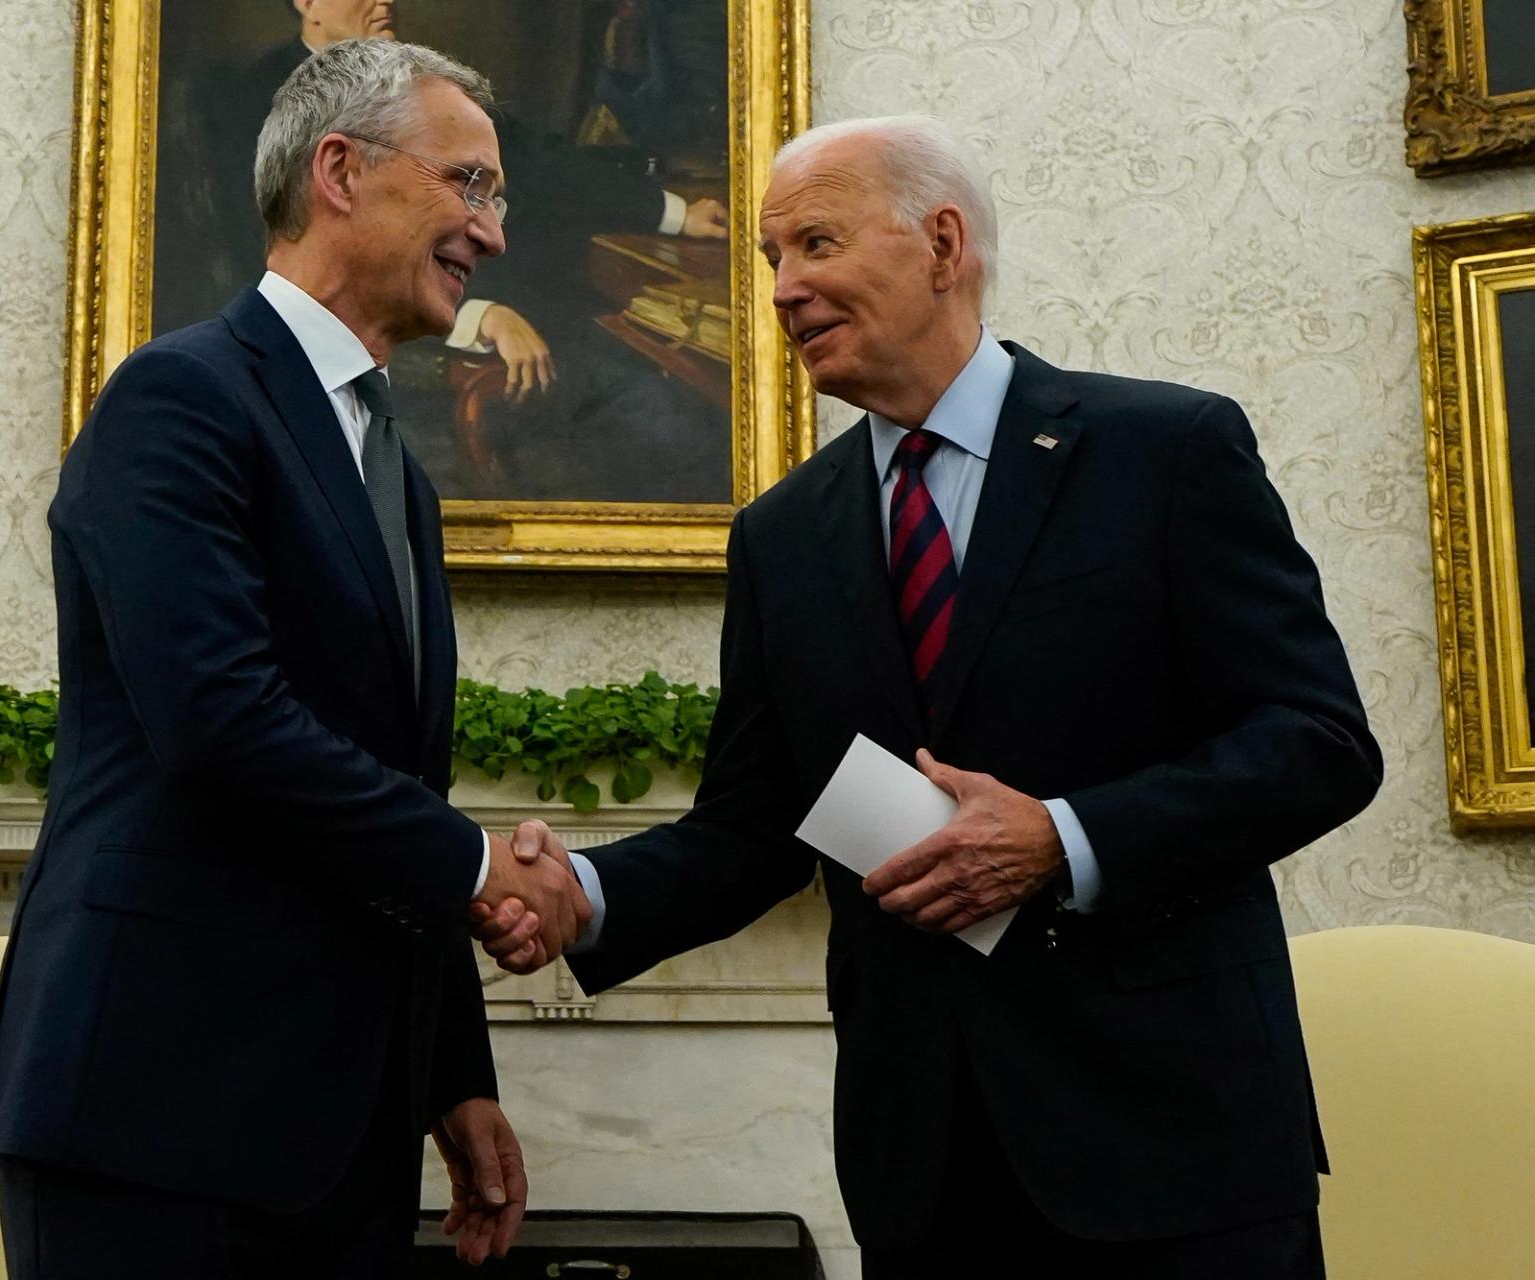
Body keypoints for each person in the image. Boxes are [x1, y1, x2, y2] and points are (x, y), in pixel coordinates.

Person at [476, 115, 1382, 1276]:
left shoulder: (1163, 450)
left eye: (815, 243)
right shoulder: (783, 534)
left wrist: (1062, 838)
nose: (785, 291)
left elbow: (1318, 741)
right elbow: (755, 826)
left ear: (943, 243)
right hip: (928, 1165)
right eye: (770, 262)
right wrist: (581, 894)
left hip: (1172, 1142)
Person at [0, 39, 591, 1279]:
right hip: (156, 1112)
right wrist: (481, 863)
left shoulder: (395, 469)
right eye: (471, 184)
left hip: (335, 1132)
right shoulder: (180, 397)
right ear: (343, 171)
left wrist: (454, 1076)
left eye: (498, 197)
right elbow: (219, 720)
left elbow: (389, 787)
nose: (495, 233)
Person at [153, 0, 735, 501]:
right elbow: (287, 271)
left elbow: (541, 165)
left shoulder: (428, 88)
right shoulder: (244, 105)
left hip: (506, 313)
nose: (384, 0)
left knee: (682, 421)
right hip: (365, 370)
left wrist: (674, 211)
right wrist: (479, 318)